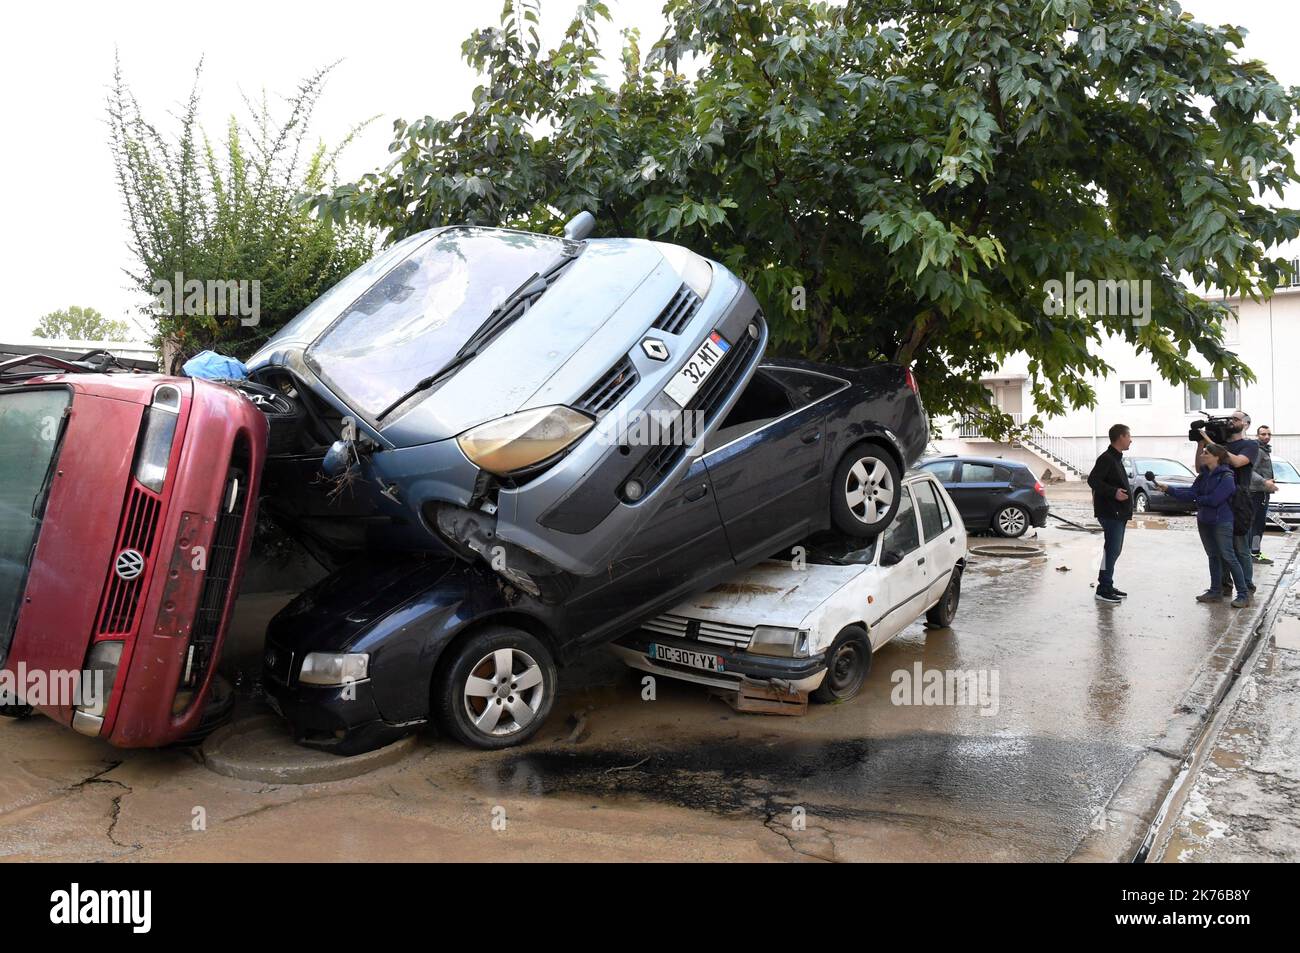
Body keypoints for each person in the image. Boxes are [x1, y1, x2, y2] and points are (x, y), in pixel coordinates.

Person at [1155, 445, 1249, 607]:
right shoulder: (1204, 475)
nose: (1202, 455)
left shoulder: (1227, 476)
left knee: (1228, 556)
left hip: (1222, 521)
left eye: (1206, 453)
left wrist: (1198, 499)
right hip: (1204, 520)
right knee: (1213, 556)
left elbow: (1215, 500)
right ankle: (1215, 591)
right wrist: (1169, 489)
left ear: (1217, 457)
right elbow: (1191, 494)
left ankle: (1243, 594)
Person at [1196, 410, 1258, 597]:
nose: (1231, 421)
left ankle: (1246, 587)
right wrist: (1201, 442)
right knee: (1219, 547)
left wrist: (1211, 442)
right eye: (1230, 418)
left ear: (1246, 424)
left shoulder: (1250, 445)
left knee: (1240, 547)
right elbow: (1200, 468)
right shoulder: (1218, 445)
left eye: (1236, 419)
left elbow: (1238, 462)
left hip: (1239, 500)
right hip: (1219, 501)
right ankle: (1223, 585)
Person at [1088, 423, 1132, 604]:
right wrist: (1114, 492)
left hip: (1118, 513)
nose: (1131, 440)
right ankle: (1103, 588)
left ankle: (1108, 584)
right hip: (1110, 512)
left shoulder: (1116, 458)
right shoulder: (1107, 458)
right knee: (1111, 551)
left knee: (1114, 551)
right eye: (1129, 436)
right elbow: (1093, 480)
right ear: (1121, 437)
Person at [1249, 424, 1278, 565]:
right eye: (1263, 434)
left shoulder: (1265, 450)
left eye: (1268, 434)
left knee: (1259, 524)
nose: (1266, 437)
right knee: (1255, 524)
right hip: (1256, 493)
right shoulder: (1258, 450)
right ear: (1257, 436)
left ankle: (1255, 552)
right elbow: (1250, 471)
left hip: (1263, 493)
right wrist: (1265, 482)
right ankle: (1252, 554)